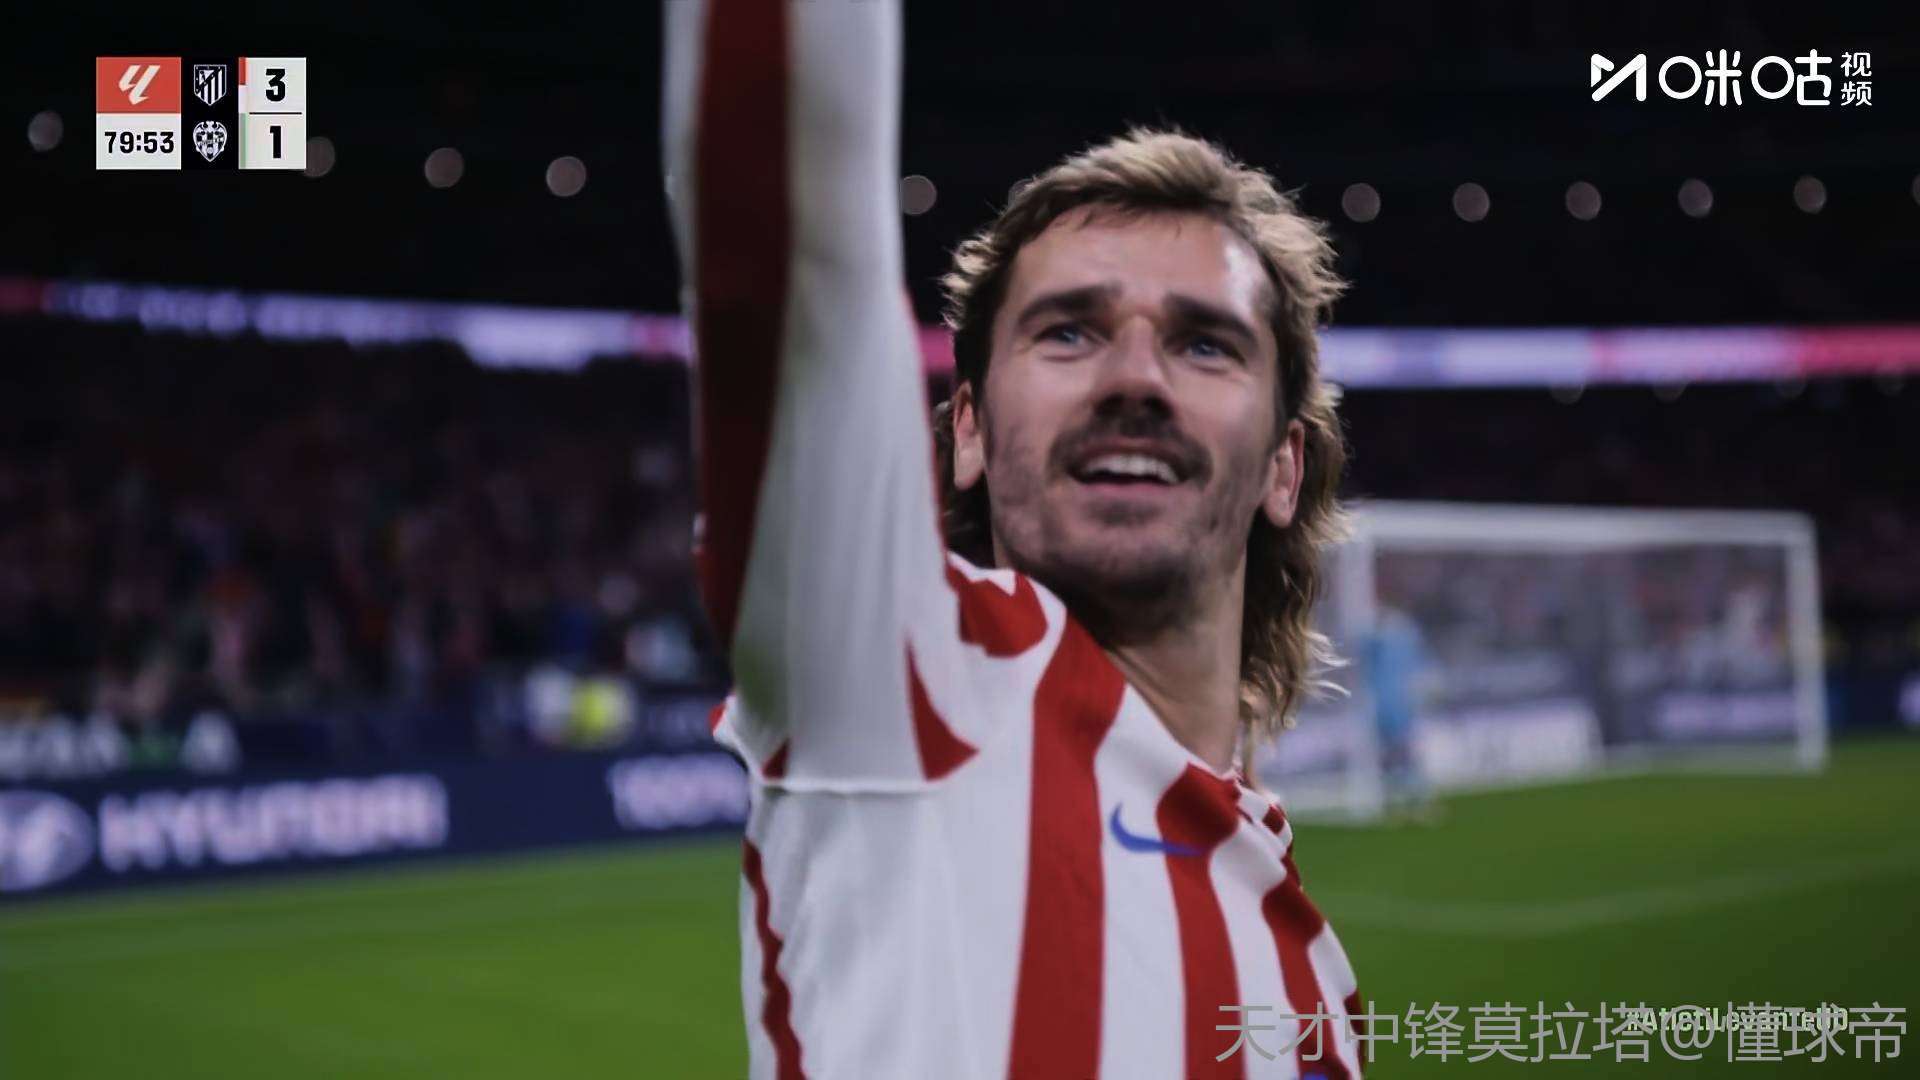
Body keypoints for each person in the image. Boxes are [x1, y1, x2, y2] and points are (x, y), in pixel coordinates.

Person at [665, 2, 1363, 1075]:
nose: (1136, 379)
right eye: (1069, 331)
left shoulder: (1316, 988)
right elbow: (784, 188)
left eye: (1205, 344)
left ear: (1285, 467)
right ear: (970, 433)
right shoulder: (900, 681)